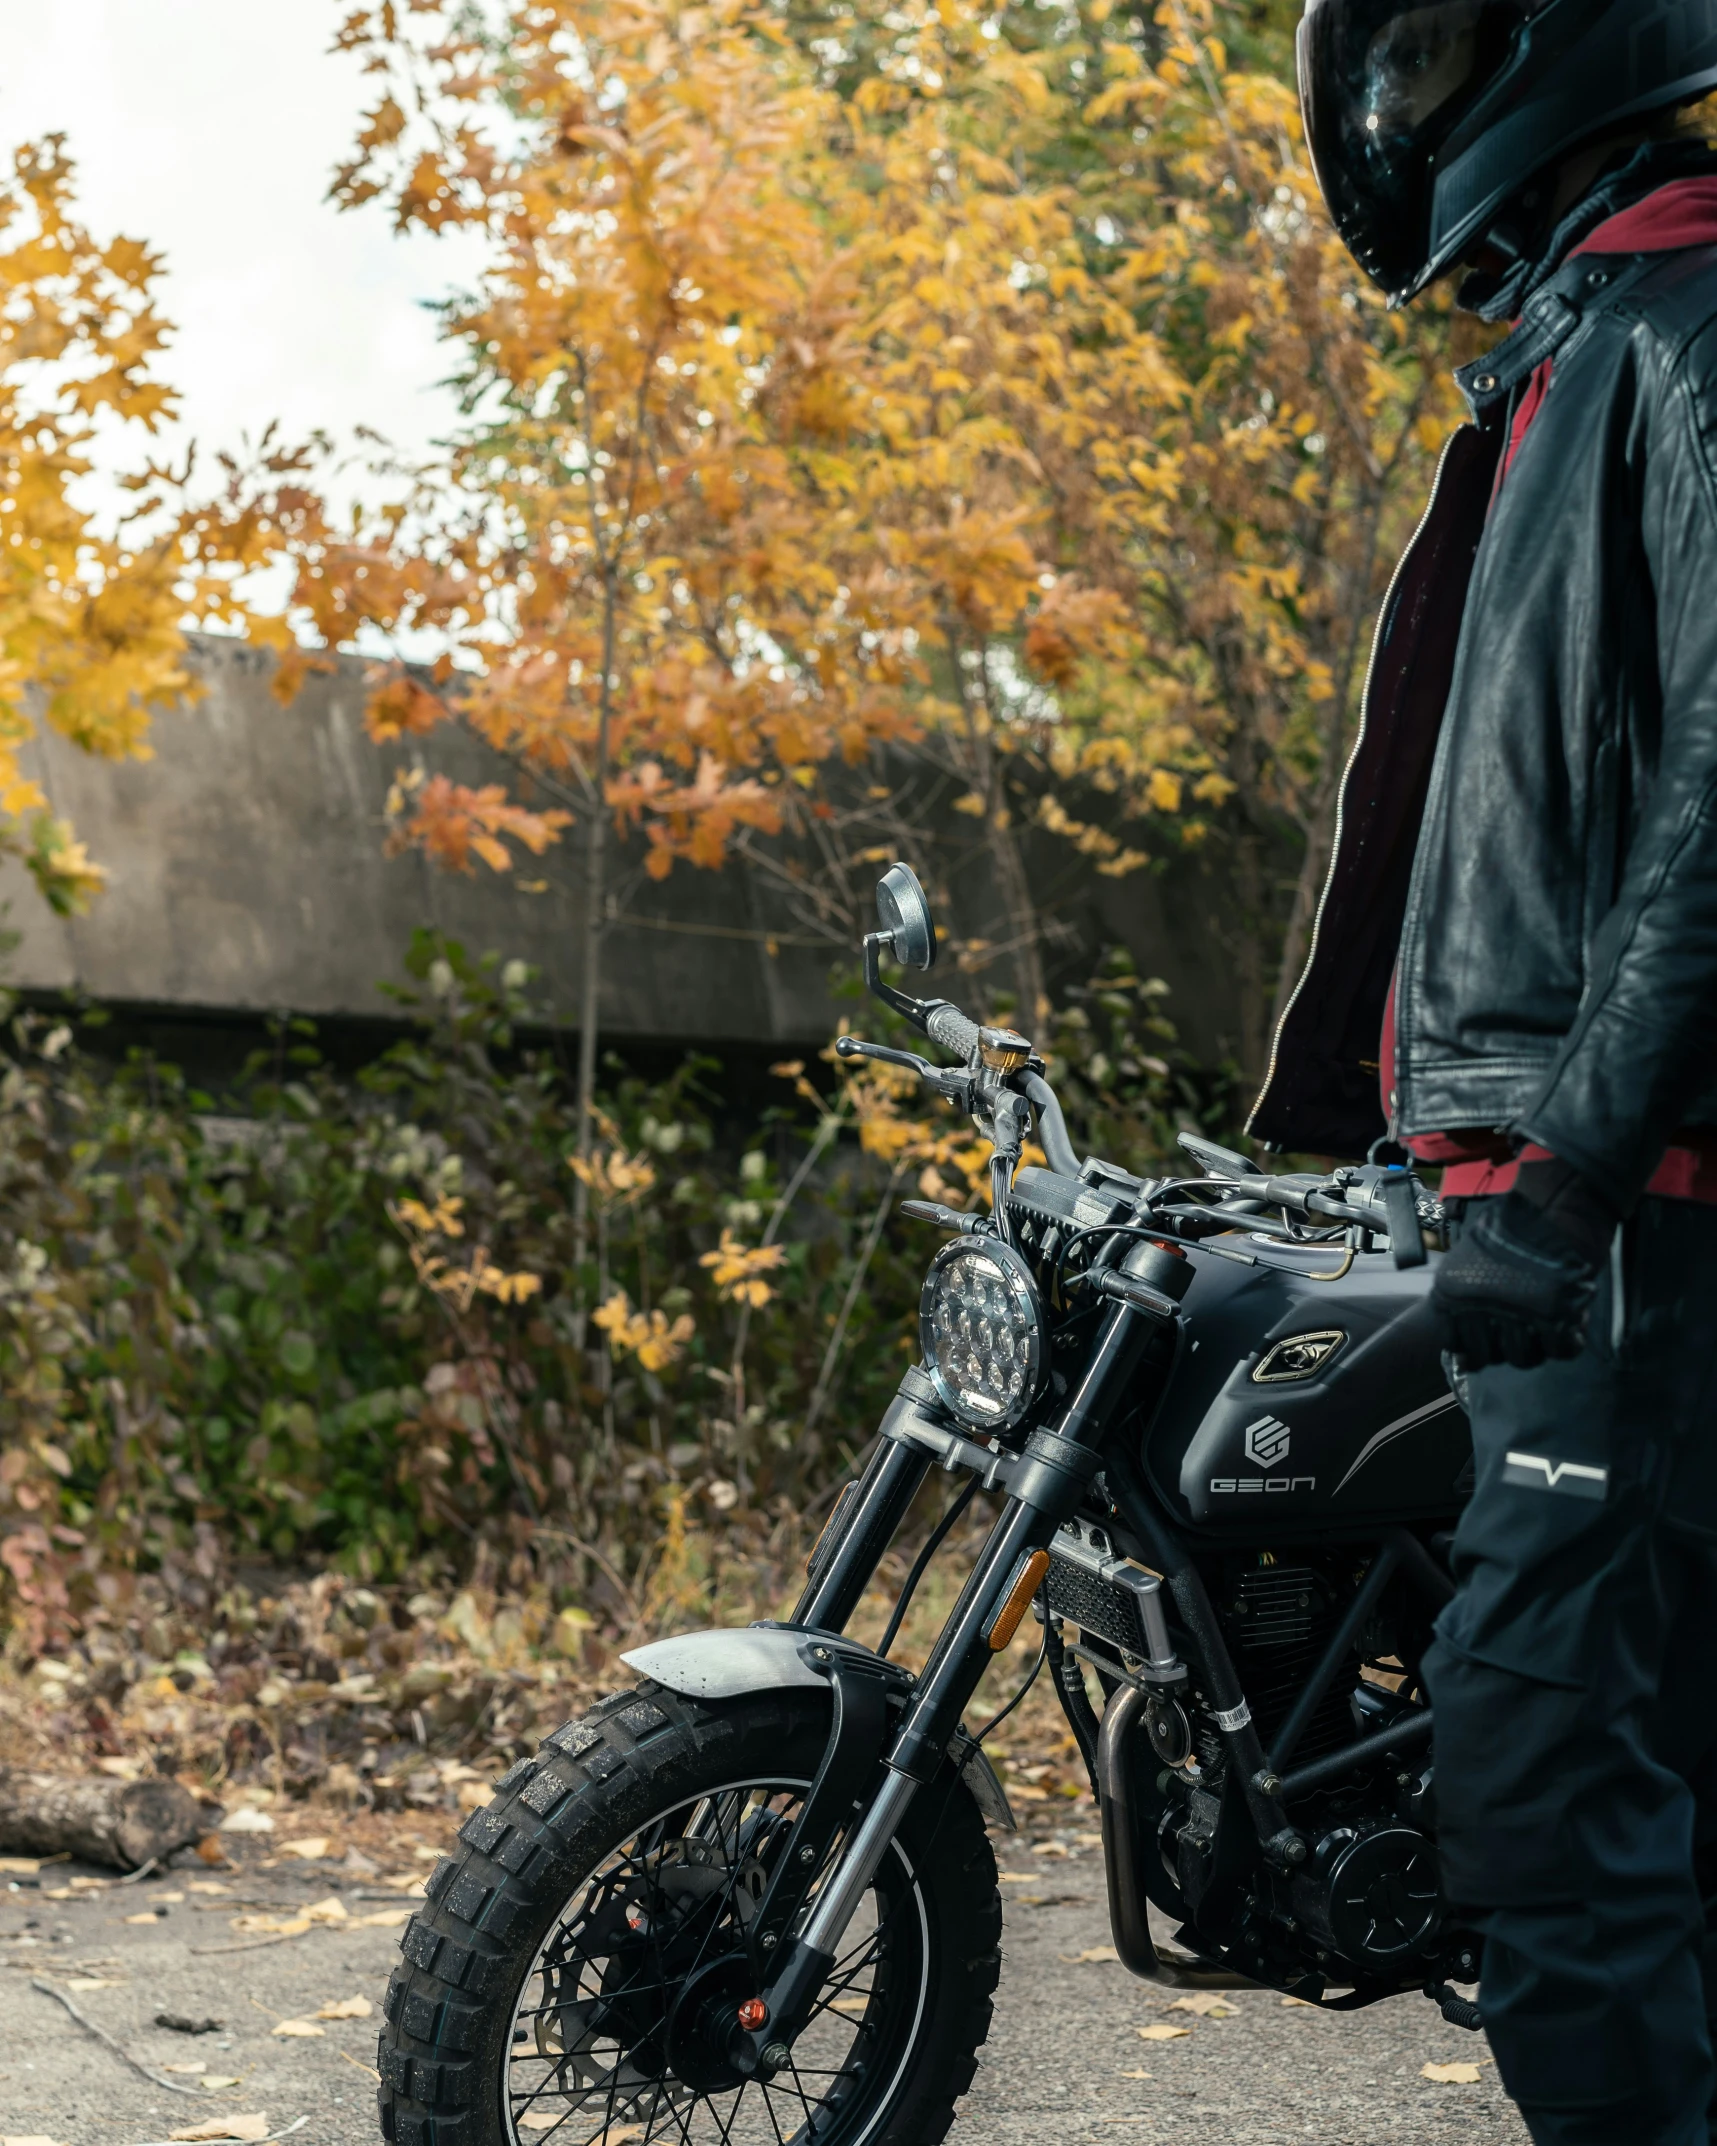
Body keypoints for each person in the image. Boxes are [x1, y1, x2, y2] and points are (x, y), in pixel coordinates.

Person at [1248, 4, 1717, 2139]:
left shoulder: (1688, 322)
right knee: (1634, 1777)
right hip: (1564, 1196)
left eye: (1429, 45)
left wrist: (1567, 1167)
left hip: (1632, 1212)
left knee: (1537, 1792)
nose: (1392, 98)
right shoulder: (1579, 339)